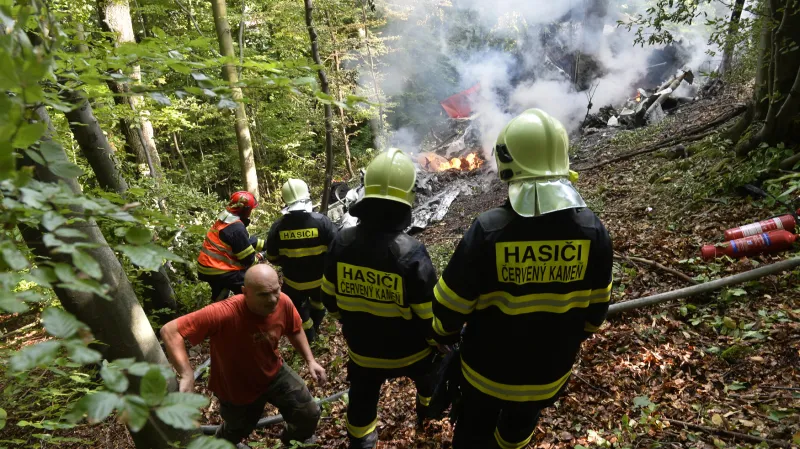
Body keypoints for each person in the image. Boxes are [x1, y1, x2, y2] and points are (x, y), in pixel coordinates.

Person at [431, 109, 614, 449]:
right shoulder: (593, 231)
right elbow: (594, 318)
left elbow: (447, 310)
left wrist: (446, 338)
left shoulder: (489, 231)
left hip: (484, 376)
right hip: (548, 377)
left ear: (507, 162)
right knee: (516, 432)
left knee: (472, 433)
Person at [320, 148, 438, 449]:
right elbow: (429, 318)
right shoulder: (411, 252)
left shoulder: (341, 243)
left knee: (361, 403)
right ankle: (427, 422)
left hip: (363, 352)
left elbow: (329, 301)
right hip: (413, 353)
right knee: (431, 380)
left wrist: (355, 320)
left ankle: (362, 444)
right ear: (405, 202)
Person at [160, 264, 327, 446]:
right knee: (237, 430)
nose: (273, 300)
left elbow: (294, 329)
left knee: (308, 413)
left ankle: (291, 440)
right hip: (235, 387)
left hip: (274, 372)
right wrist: (187, 374)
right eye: (263, 294)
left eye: (276, 291)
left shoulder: (283, 302)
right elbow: (170, 331)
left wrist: (310, 360)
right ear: (245, 292)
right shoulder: (223, 312)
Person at [266, 179, 337, 342]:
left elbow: (272, 258)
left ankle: (309, 337)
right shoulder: (322, 222)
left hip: (293, 284)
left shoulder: (278, 227)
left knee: (298, 311)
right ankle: (316, 330)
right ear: (307, 196)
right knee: (319, 304)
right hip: (320, 282)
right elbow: (335, 250)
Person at [197, 191, 265, 301]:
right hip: (218, 270)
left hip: (206, 267)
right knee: (251, 287)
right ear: (246, 210)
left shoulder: (223, 221)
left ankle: (219, 307)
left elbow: (243, 241)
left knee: (219, 297)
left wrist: (265, 244)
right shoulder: (236, 228)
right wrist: (261, 256)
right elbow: (248, 260)